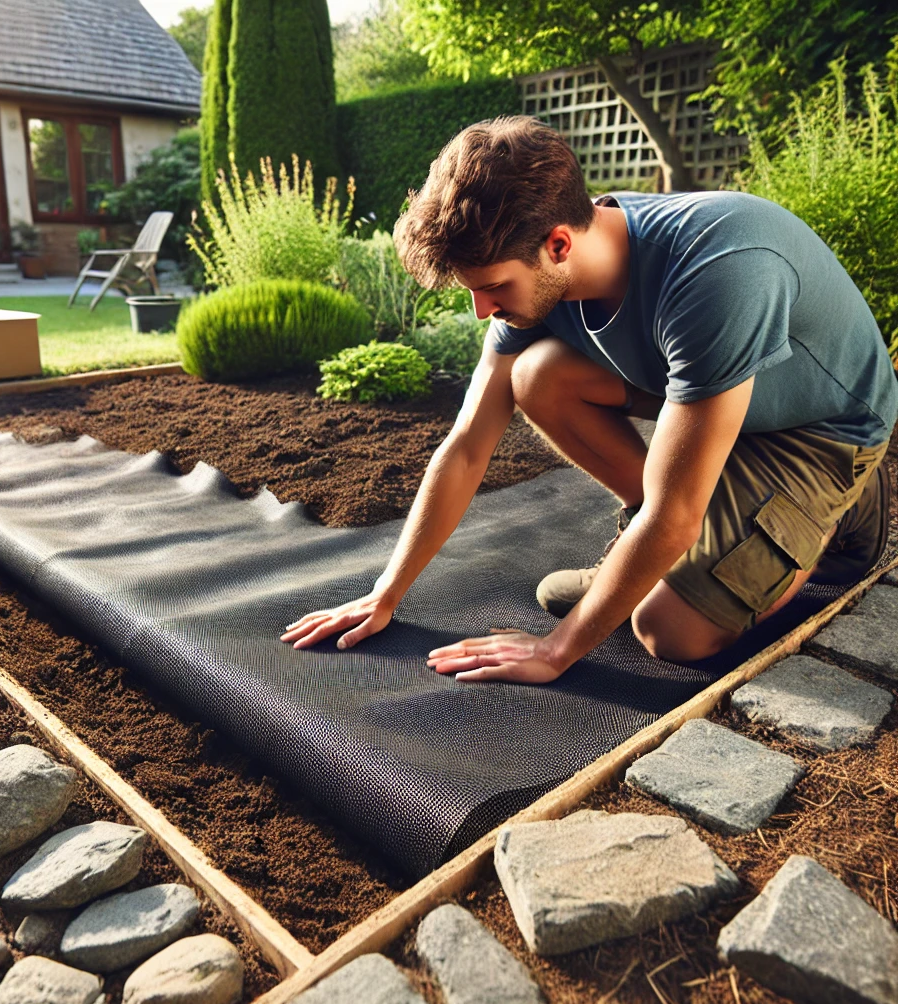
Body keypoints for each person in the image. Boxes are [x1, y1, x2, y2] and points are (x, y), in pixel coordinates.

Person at [281, 115, 897, 684]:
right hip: (722, 403)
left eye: (494, 287)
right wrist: (385, 593)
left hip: (820, 430)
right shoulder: (541, 279)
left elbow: (676, 515)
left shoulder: (718, 270)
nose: (482, 310)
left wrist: (556, 650)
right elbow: (468, 444)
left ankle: (833, 523)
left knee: (667, 630)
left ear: (557, 245)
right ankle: (676, 553)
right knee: (537, 373)